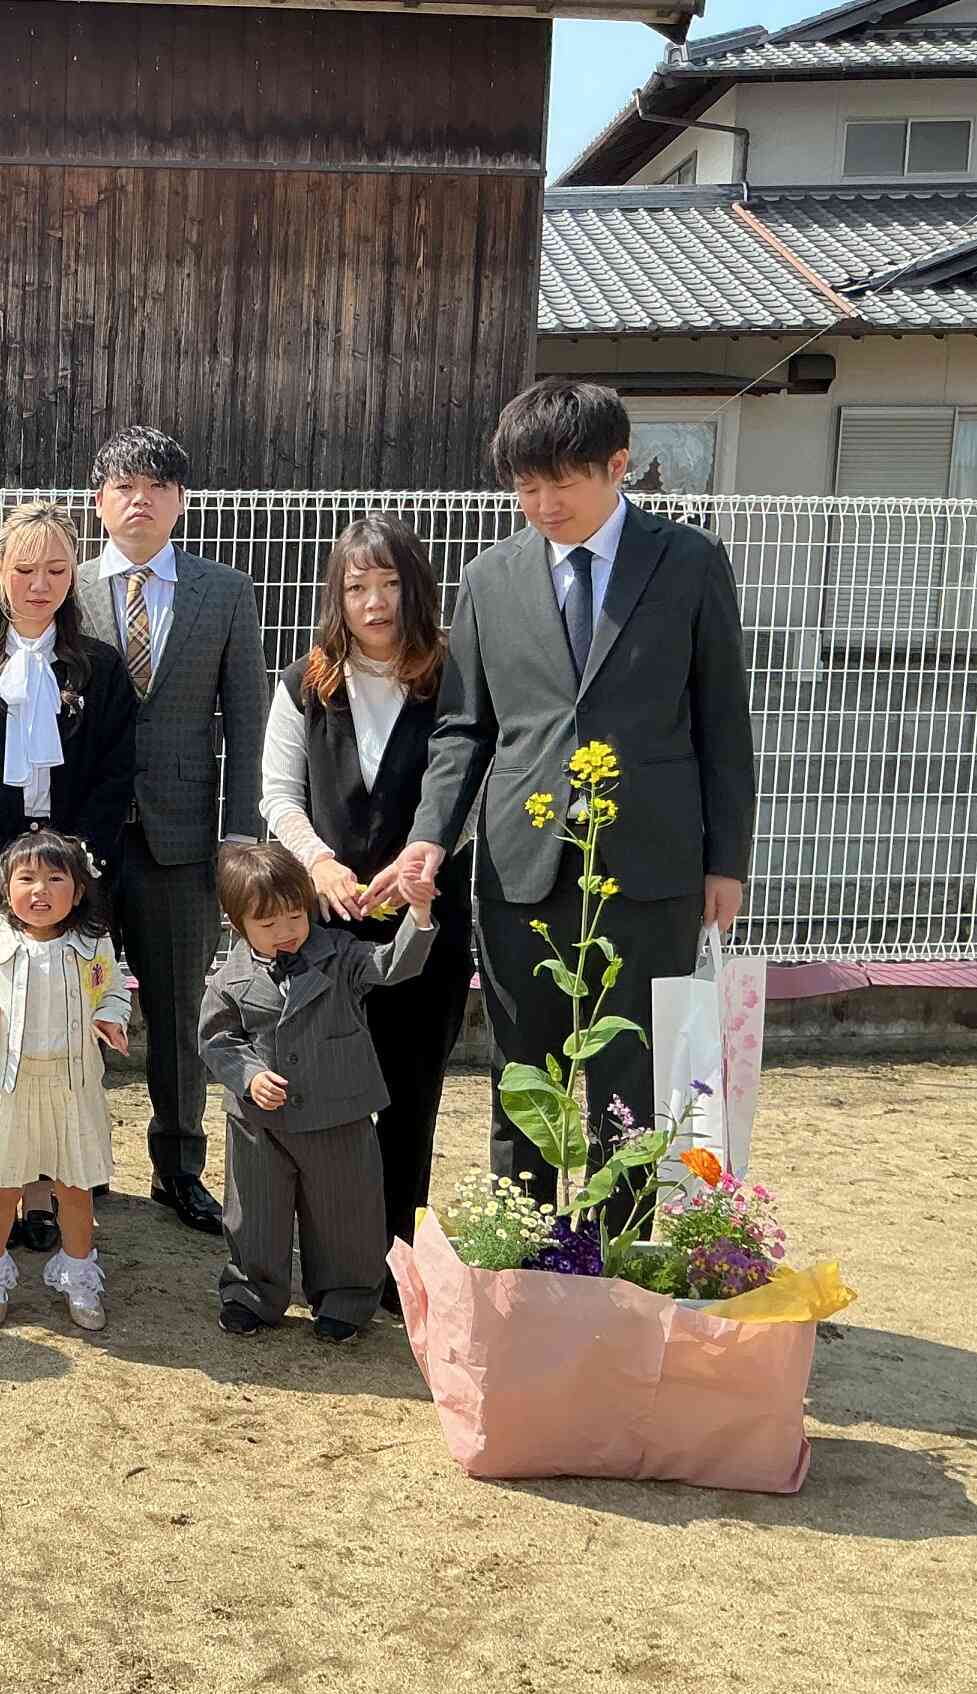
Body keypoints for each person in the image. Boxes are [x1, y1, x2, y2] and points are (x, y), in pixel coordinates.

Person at [369, 379, 756, 1213]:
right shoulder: (491, 578)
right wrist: (430, 835)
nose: (542, 504)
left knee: (631, 1086)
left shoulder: (689, 563)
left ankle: (616, 1272)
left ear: (618, 466)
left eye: (562, 483)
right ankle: (527, 1266)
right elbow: (463, 729)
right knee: (525, 1084)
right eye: (525, 486)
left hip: (651, 868)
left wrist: (726, 860)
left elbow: (723, 723)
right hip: (519, 868)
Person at [261, 514, 473, 1315]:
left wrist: (424, 858)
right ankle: (328, 1255)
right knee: (323, 1092)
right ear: (336, 598)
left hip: (426, 923)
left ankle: (400, 1264)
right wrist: (317, 863)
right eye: (356, 587)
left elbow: (475, 784)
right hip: (325, 930)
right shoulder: (305, 680)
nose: (374, 602)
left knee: (411, 1093)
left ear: (414, 587)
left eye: (388, 583)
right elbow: (277, 791)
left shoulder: (455, 676)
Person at [0, 499, 137, 1252]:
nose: (39, 584)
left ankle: (52, 1189)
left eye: (54, 569)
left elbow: (115, 770)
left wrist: (74, 860)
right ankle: (0, 1184)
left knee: (64, 1028)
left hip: (74, 875)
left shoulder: (100, 668)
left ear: (71, 574)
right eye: (23, 568)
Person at [74, 428, 268, 1236]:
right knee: (70, 1001)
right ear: (99, 503)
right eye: (123, 487)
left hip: (185, 838)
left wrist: (240, 838)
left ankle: (179, 1166)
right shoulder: (66, 584)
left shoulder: (224, 591)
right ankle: (71, 1167)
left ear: (181, 501)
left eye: (156, 486)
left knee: (185, 1012)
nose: (139, 500)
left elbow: (248, 722)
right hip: (80, 841)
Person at [198, 842, 433, 1343]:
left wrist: (419, 912)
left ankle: (346, 1298)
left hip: (339, 1111)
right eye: (268, 924)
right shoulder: (228, 978)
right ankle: (250, 1294)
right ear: (236, 924)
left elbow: (394, 966)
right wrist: (248, 1076)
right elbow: (218, 1039)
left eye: (294, 916)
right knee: (253, 1214)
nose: (285, 932)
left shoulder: (341, 953)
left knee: (346, 1210)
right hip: (259, 1122)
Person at [0, 830, 132, 1332]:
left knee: (74, 1186)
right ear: (6, 886)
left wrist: (111, 1017)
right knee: (2, 1184)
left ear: (79, 887)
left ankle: (79, 1275)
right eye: (26, 878)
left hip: (72, 1084)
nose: (40, 890)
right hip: (9, 1084)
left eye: (55, 878)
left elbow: (113, 991)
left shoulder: (94, 942)